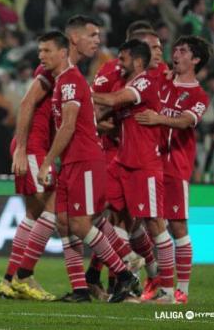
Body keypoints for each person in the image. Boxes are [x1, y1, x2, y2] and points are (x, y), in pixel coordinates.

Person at [35, 31, 139, 303]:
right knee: (64, 223)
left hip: (85, 161)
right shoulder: (61, 82)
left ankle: (124, 275)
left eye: (46, 51)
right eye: (40, 51)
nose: (41, 56)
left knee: (81, 224)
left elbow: (68, 126)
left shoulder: (69, 81)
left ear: (62, 52)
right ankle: (80, 289)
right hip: (71, 162)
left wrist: (46, 161)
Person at [93, 39, 177, 303]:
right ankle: (126, 270)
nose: (119, 61)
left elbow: (114, 100)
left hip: (144, 165)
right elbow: (113, 115)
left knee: (155, 224)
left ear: (138, 62)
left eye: (124, 57)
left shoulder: (144, 82)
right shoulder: (128, 84)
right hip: (122, 163)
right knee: (102, 212)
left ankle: (166, 288)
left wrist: (80, 91)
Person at [135, 35, 212, 304]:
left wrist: (158, 118)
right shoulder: (163, 81)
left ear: (195, 59)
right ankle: (161, 286)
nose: (175, 54)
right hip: (150, 164)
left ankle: (181, 291)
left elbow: (186, 121)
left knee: (178, 227)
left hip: (176, 168)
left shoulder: (199, 95)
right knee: (151, 224)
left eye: (182, 51)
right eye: (175, 49)